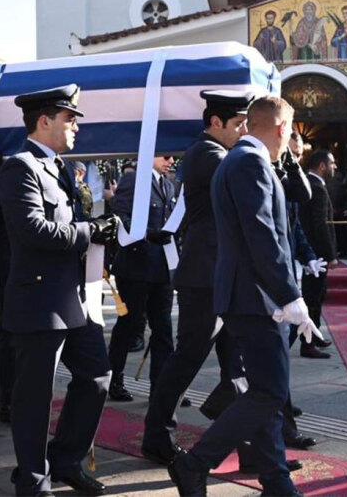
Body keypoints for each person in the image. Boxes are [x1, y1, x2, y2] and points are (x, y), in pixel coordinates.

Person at [167, 95, 320, 497]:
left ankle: (275, 481)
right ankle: (195, 462)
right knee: (270, 391)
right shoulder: (249, 162)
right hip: (256, 299)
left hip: (247, 297)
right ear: (283, 128)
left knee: (261, 392)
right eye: (290, 132)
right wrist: (289, 297)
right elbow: (262, 236)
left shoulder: (239, 159)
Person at [0, 84, 116, 497]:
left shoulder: (61, 167)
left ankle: (65, 460)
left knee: (97, 376)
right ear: (45, 120)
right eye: (70, 119)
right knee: (35, 396)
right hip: (40, 298)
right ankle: (32, 479)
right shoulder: (20, 167)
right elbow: (31, 230)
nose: (76, 128)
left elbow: (72, 223)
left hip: (73, 296)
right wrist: (90, 231)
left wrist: (102, 231)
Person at [141, 89, 250, 466]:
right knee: (187, 358)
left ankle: (249, 444)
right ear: (215, 123)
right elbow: (244, 184)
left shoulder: (219, 153)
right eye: (239, 124)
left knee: (236, 360)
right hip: (205, 275)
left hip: (219, 272)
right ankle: (157, 435)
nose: (245, 131)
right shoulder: (207, 153)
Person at [106, 155, 177, 402]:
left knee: (164, 329)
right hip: (136, 266)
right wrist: (147, 235)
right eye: (165, 155)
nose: (170, 160)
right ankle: (114, 379)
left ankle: (162, 386)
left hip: (162, 267)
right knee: (130, 325)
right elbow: (119, 216)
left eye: (173, 156)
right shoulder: (133, 179)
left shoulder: (168, 184)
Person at [296, 150, 339, 359]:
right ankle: (308, 343)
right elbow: (321, 225)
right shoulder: (317, 188)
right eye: (332, 163)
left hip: (312, 252)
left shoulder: (309, 184)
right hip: (317, 254)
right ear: (322, 166)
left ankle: (315, 333)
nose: (335, 167)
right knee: (313, 298)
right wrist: (330, 255)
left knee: (316, 296)